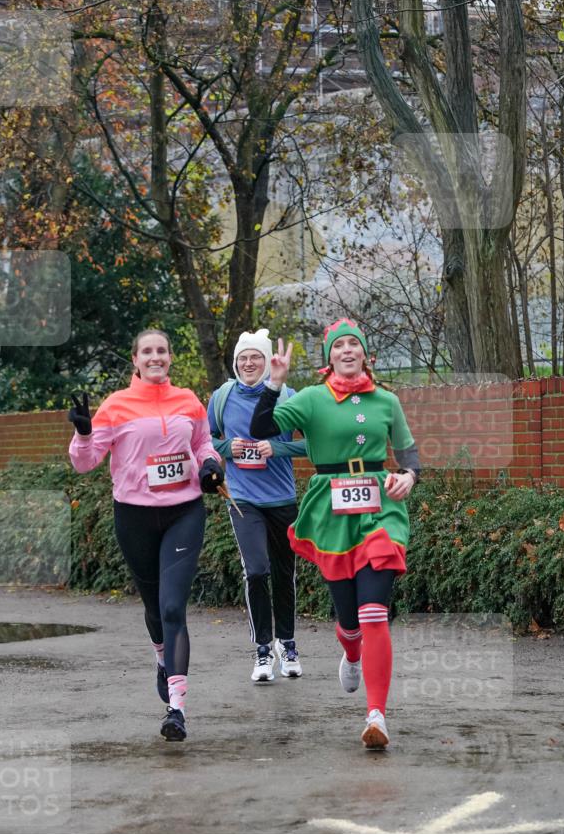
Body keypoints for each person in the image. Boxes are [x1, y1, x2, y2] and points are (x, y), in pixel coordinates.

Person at [250, 317, 420, 749]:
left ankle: (376, 715)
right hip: (331, 508)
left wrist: (409, 476)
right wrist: (274, 382)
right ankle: (350, 651)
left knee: (374, 612)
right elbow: (261, 429)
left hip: (380, 508)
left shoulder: (386, 400)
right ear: (329, 358)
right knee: (349, 619)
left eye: (354, 345)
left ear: (366, 354)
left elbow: (408, 452)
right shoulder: (310, 399)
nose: (348, 351)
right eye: (339, 346)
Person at [67, 329, 224, 743]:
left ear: (170, 358)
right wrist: (84, 434)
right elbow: (86, 463)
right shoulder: (116, 405)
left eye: (162, 351)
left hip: (183, 513)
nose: (156, 357)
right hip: (134, 517)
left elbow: (203, 443)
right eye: (147, 351)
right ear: (135, 360)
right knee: (154, 608)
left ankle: (177, 709)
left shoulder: (188, 400)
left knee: (174, 608)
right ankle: (161, 657)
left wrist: (210, 466)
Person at [207, 328, 307, 683]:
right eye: (243, 358)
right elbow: (206, 440)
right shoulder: (221, 397)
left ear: (267, 362)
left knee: (283, 573)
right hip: (242, 499)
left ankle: (288, 643)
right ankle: (263, 650)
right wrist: (226, 447)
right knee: (257, 570)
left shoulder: (290, 397)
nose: (248, 363)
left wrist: (278, 448)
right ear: (236, 363)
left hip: (282, 498)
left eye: (256, 358)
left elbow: (316, 444)